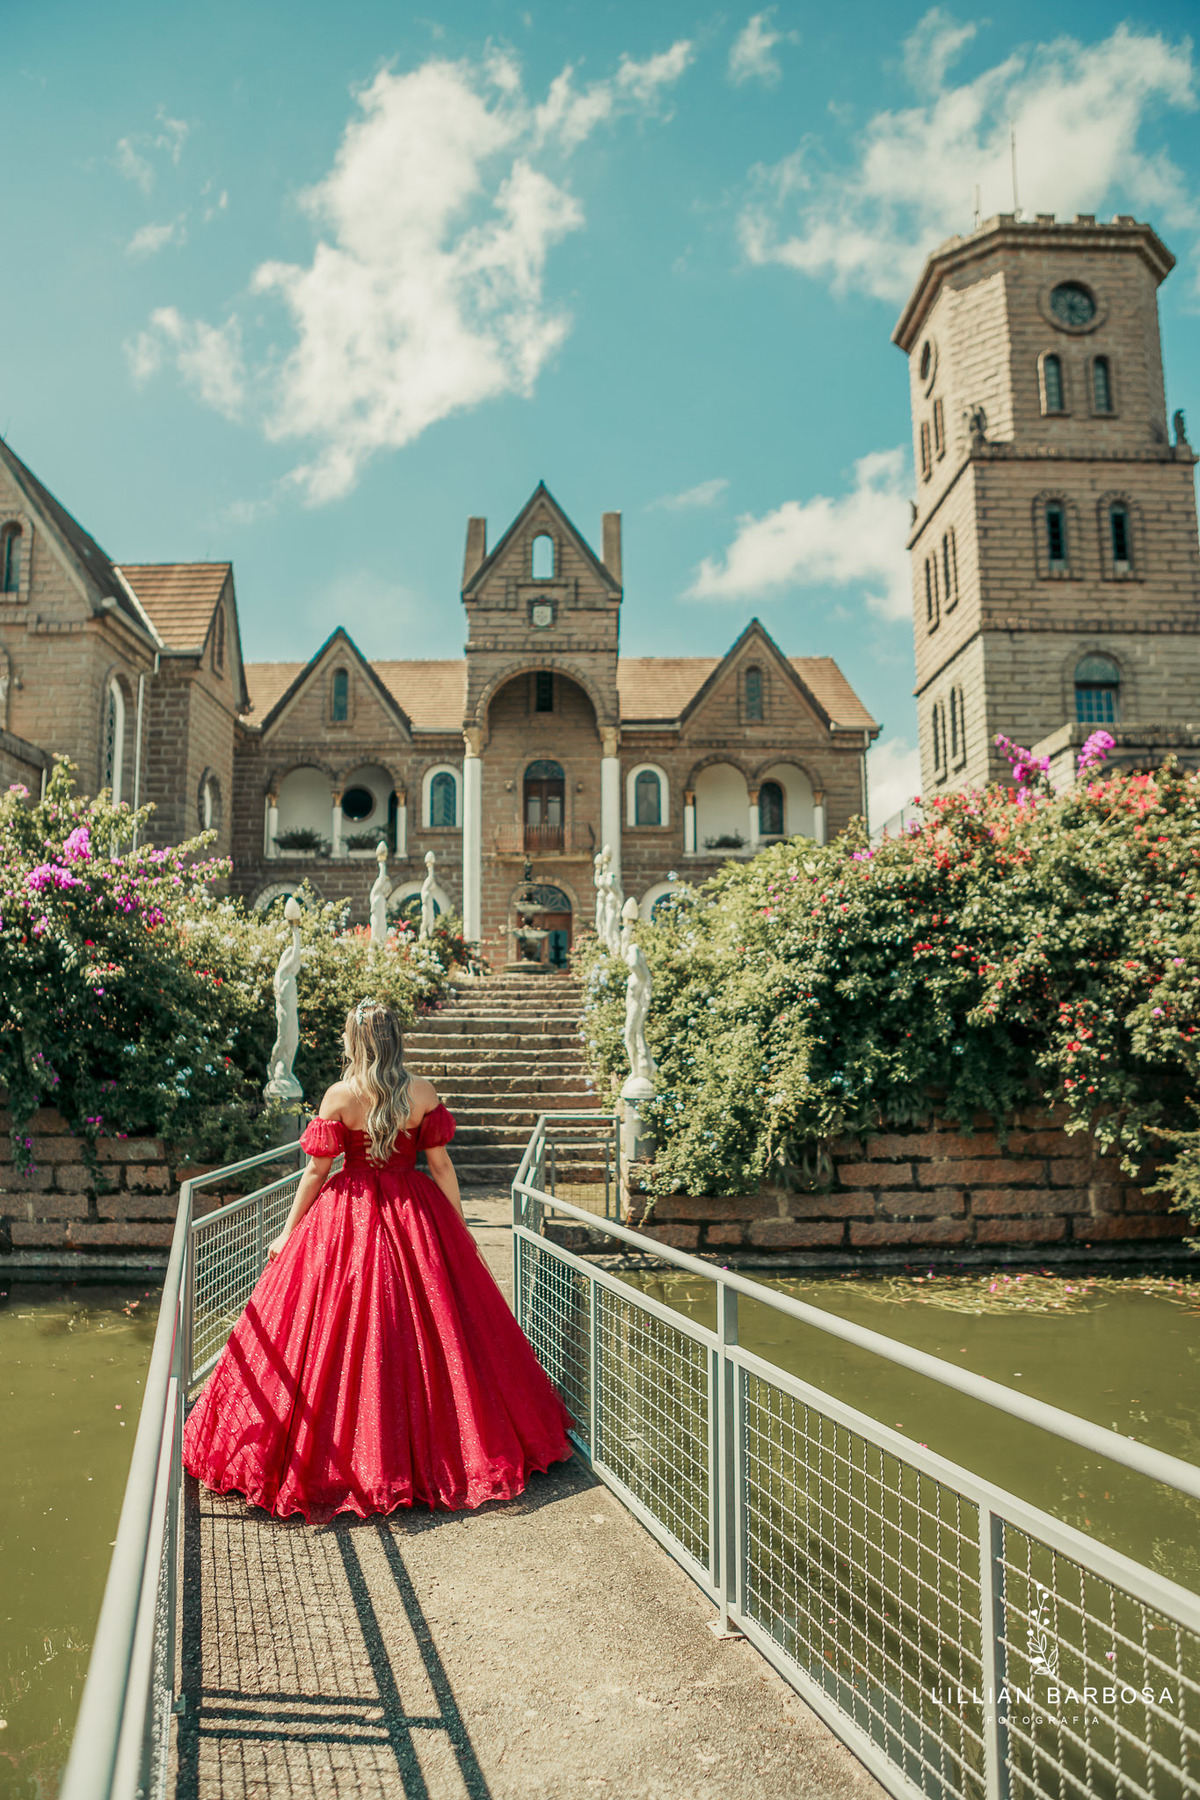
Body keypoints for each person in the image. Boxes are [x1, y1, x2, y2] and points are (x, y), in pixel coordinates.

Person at [183, 1000, 572, 1520]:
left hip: (351, 1212)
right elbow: (440, 1165)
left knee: (342, 1328)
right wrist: (457, 1225)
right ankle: (441, 1454)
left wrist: (287, 1233)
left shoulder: (341, 1096)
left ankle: (350, 1462)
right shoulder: (422, 1092)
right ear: (395, 1040)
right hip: (417, 1209)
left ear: (354, 1041)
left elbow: (316, 1173)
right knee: (438, 1328)